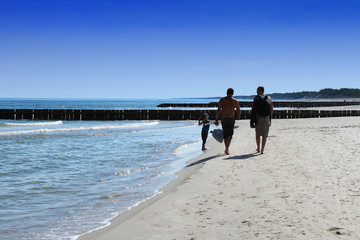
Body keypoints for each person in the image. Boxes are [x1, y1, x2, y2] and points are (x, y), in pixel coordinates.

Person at [215, 88, 241, 155]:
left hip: (223, 118)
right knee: (230, 134)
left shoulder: (222, 100)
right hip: (230, 118)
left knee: (225, 134)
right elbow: (238, 110)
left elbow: (218, 110)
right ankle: (227, 148)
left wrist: (217, 119)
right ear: (233, 93)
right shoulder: (235, 101)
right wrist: (238, 116)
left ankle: (226, 148)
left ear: (226, 93)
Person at [251, 86, 274, 154]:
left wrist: (252, 118)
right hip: (266, 117)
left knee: (258, 133)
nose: (256, 91)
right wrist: (269, 116)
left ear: (259, 90)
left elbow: (253, 109)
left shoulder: (256, 98)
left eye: (257, 90)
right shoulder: (268, 98)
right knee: (265, 134)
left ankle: (258, 148)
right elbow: (272, 109)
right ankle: (262, 150)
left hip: (258, 117)